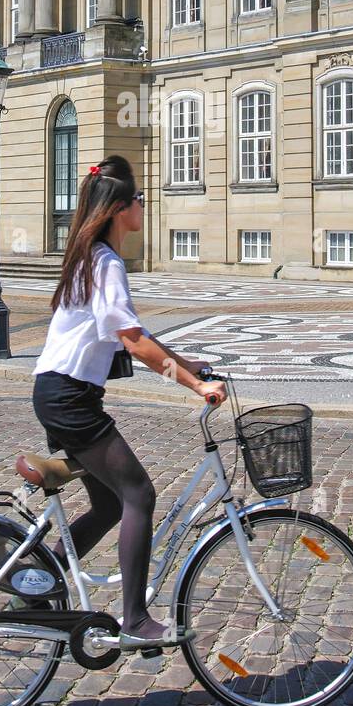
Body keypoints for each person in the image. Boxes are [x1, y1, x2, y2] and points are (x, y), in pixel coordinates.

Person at [31, 154, 226, 650]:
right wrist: (195, 386)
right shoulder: (107, 262)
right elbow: (134, 342)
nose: (144, 205)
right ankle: (135, 618)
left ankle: (35, 584)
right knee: (139, 494)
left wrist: (186, 363)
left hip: (58, 392)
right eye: (139, 198)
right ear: (120, 208)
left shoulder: (90, 256)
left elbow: (132, 336)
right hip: (71, 399)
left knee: (111, 504)